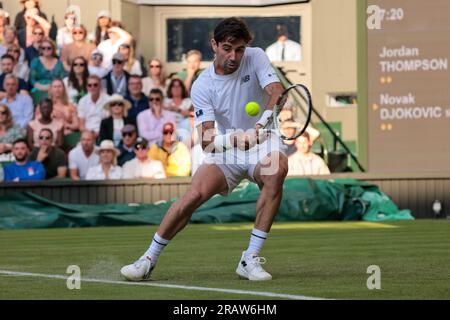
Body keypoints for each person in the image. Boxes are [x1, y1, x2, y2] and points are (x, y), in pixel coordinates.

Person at [121, 17, 288, 282]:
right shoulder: (202, 85)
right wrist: (236, 139)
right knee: (194, 195)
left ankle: (250, 258)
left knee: (276, 172)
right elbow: (208, 139)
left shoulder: (255, 57)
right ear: (214, 44)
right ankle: (148, 259)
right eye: (227, 48)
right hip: (228, 147)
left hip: (264, 139)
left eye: (240, 49)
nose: (234, 56)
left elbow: (279, 92)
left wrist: (258, 127)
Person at [29, 39, 66, 104]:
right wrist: (41, 87)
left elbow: (62, 78)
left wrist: (53, 87)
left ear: (53, 49)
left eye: (49, 48)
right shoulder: (36, 61)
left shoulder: (59, 63)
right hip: (38, 88)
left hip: (55, 88)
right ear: (41, 49)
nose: (46, 50)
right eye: (43, 48)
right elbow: (32, 79)